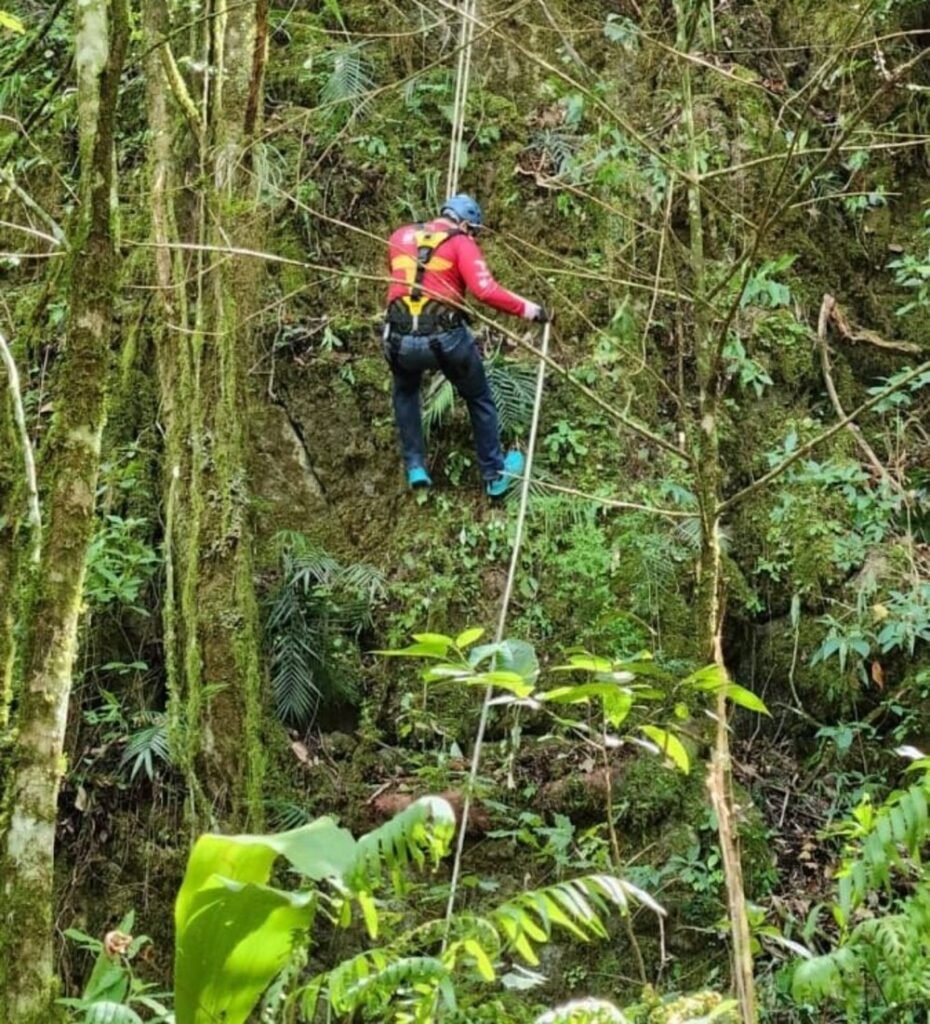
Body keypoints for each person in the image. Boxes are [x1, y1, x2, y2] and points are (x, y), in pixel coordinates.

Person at [383, 193, 548, 496]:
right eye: (473, 230)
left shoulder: (400, 235)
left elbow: (401, 281)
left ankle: (416, 465)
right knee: (479, 396)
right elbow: (485, 291)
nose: (472, 236)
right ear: (465, 224)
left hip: (399, 341)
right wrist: (531, 310)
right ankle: (495, 474)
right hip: (445, 339)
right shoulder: (461, 243)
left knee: (405, 392)